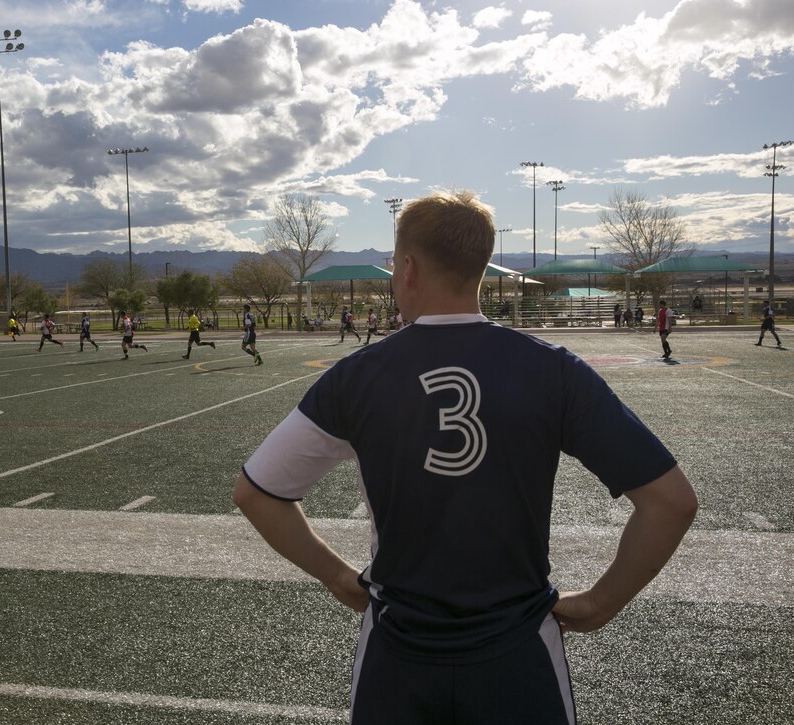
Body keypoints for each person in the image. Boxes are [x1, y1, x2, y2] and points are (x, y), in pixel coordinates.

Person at [233, 191, 697, 725]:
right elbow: (671, 501)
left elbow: (257, 493)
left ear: (407, 268)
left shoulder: (356, 377)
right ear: (479, 269)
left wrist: (338, 577)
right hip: (520, 653)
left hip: (396, 652)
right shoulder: (554, 371)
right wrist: (602, 602)